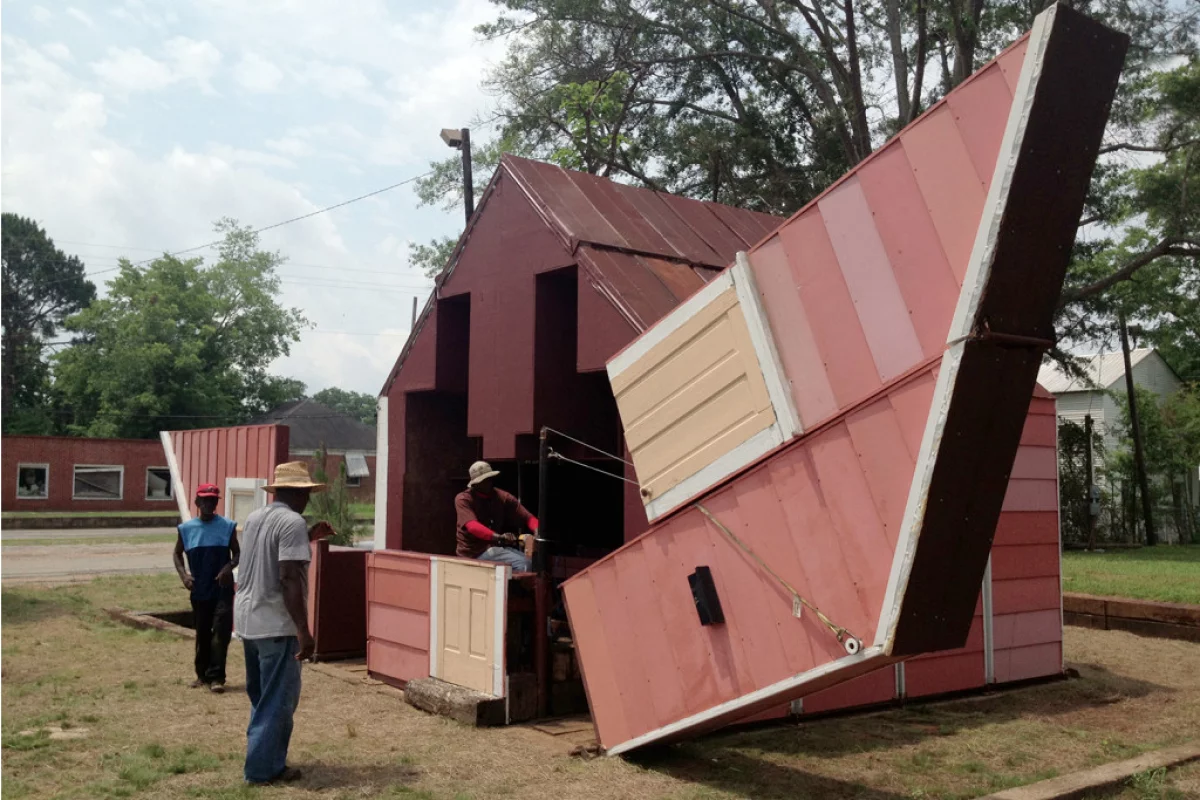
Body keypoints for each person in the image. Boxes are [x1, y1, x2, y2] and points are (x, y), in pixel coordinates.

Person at [233, 461, 332, 786]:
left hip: (248, 619)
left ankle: (262, 758)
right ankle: (263, 770)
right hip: (276, 623)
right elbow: (288, 577)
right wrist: (304, 631)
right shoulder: (292, 522)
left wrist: (308, 536)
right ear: (298, 493)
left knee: (263, 698)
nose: (308, 499)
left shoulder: (255, 517)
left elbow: (268, 554)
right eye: (306, 493)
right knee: (278, 700)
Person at [173, 483, 238, 693]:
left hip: (222, 589)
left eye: (212, 500)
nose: (209, 504)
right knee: (202, 632)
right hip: (199, 589)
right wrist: (184, 576)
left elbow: (237, 553)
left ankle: (217, 677)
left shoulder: (227, 526)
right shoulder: (186, 529)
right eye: (205, 500)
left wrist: (228, 567)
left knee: (221, 632)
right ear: (197, 502)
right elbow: (177, 554)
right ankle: (202, 675)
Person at [454, 460, 538, 572]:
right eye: (483, 480)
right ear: (474, 484)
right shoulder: (463, 499)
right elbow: (473, 526)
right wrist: (499, 537)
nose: (488, 482)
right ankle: (511, 584)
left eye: (489, 479)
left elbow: (528, 517)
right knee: (523, 564)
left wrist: (537, 530)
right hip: (473, 554)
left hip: (493, 548)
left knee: (531, 562)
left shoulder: (502, 496)